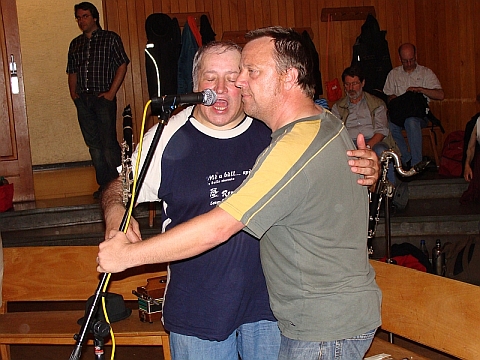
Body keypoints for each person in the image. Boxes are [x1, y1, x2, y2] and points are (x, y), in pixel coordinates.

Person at [98, 27, 381, 360]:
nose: (225, 88)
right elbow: (119, 185)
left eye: (239, 76)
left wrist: (367, 169)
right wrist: (117, 211)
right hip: (200, 313)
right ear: (194, 84)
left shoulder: (274, 127)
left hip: (273, 311)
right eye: (210, 78)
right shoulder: (168, 135)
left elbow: (223, 224)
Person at [67, 2, 130, 199]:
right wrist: (73, 93)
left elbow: (122, 64)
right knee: (93, 145)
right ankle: (104, 186)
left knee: (108, 143)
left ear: (94, 17)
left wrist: (111, 93)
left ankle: (118, 185)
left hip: (103, 98)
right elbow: (72, 71)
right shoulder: (75, 43)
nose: (81, 20)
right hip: (83, 100)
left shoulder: (110, 39)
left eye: (85, 16)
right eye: (78, 17)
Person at [332, 65, 398, 185]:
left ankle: (390, 192)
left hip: (374, 142)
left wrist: (366, 147)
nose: (351, 88)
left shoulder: (377, 104)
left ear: (363, 83)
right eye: (347, 84)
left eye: (355, 83)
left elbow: (382, 131)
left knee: (382, 151)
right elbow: (335, 132)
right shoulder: (338, 107)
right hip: (349, 144)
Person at [383, 43, 444, 168]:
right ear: (400, 59)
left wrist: (420, 89)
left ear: (415, 56)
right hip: (399, 115)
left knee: (411, 122)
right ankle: (406, 158)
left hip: (419, 116)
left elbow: (440, 95)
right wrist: (392, 99)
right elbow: (387, 96)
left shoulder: (425, 73)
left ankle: (417, 164)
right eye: (405, 61)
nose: (409, 63)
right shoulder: (393, 74)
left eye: (411, 60)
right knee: (388, 125)